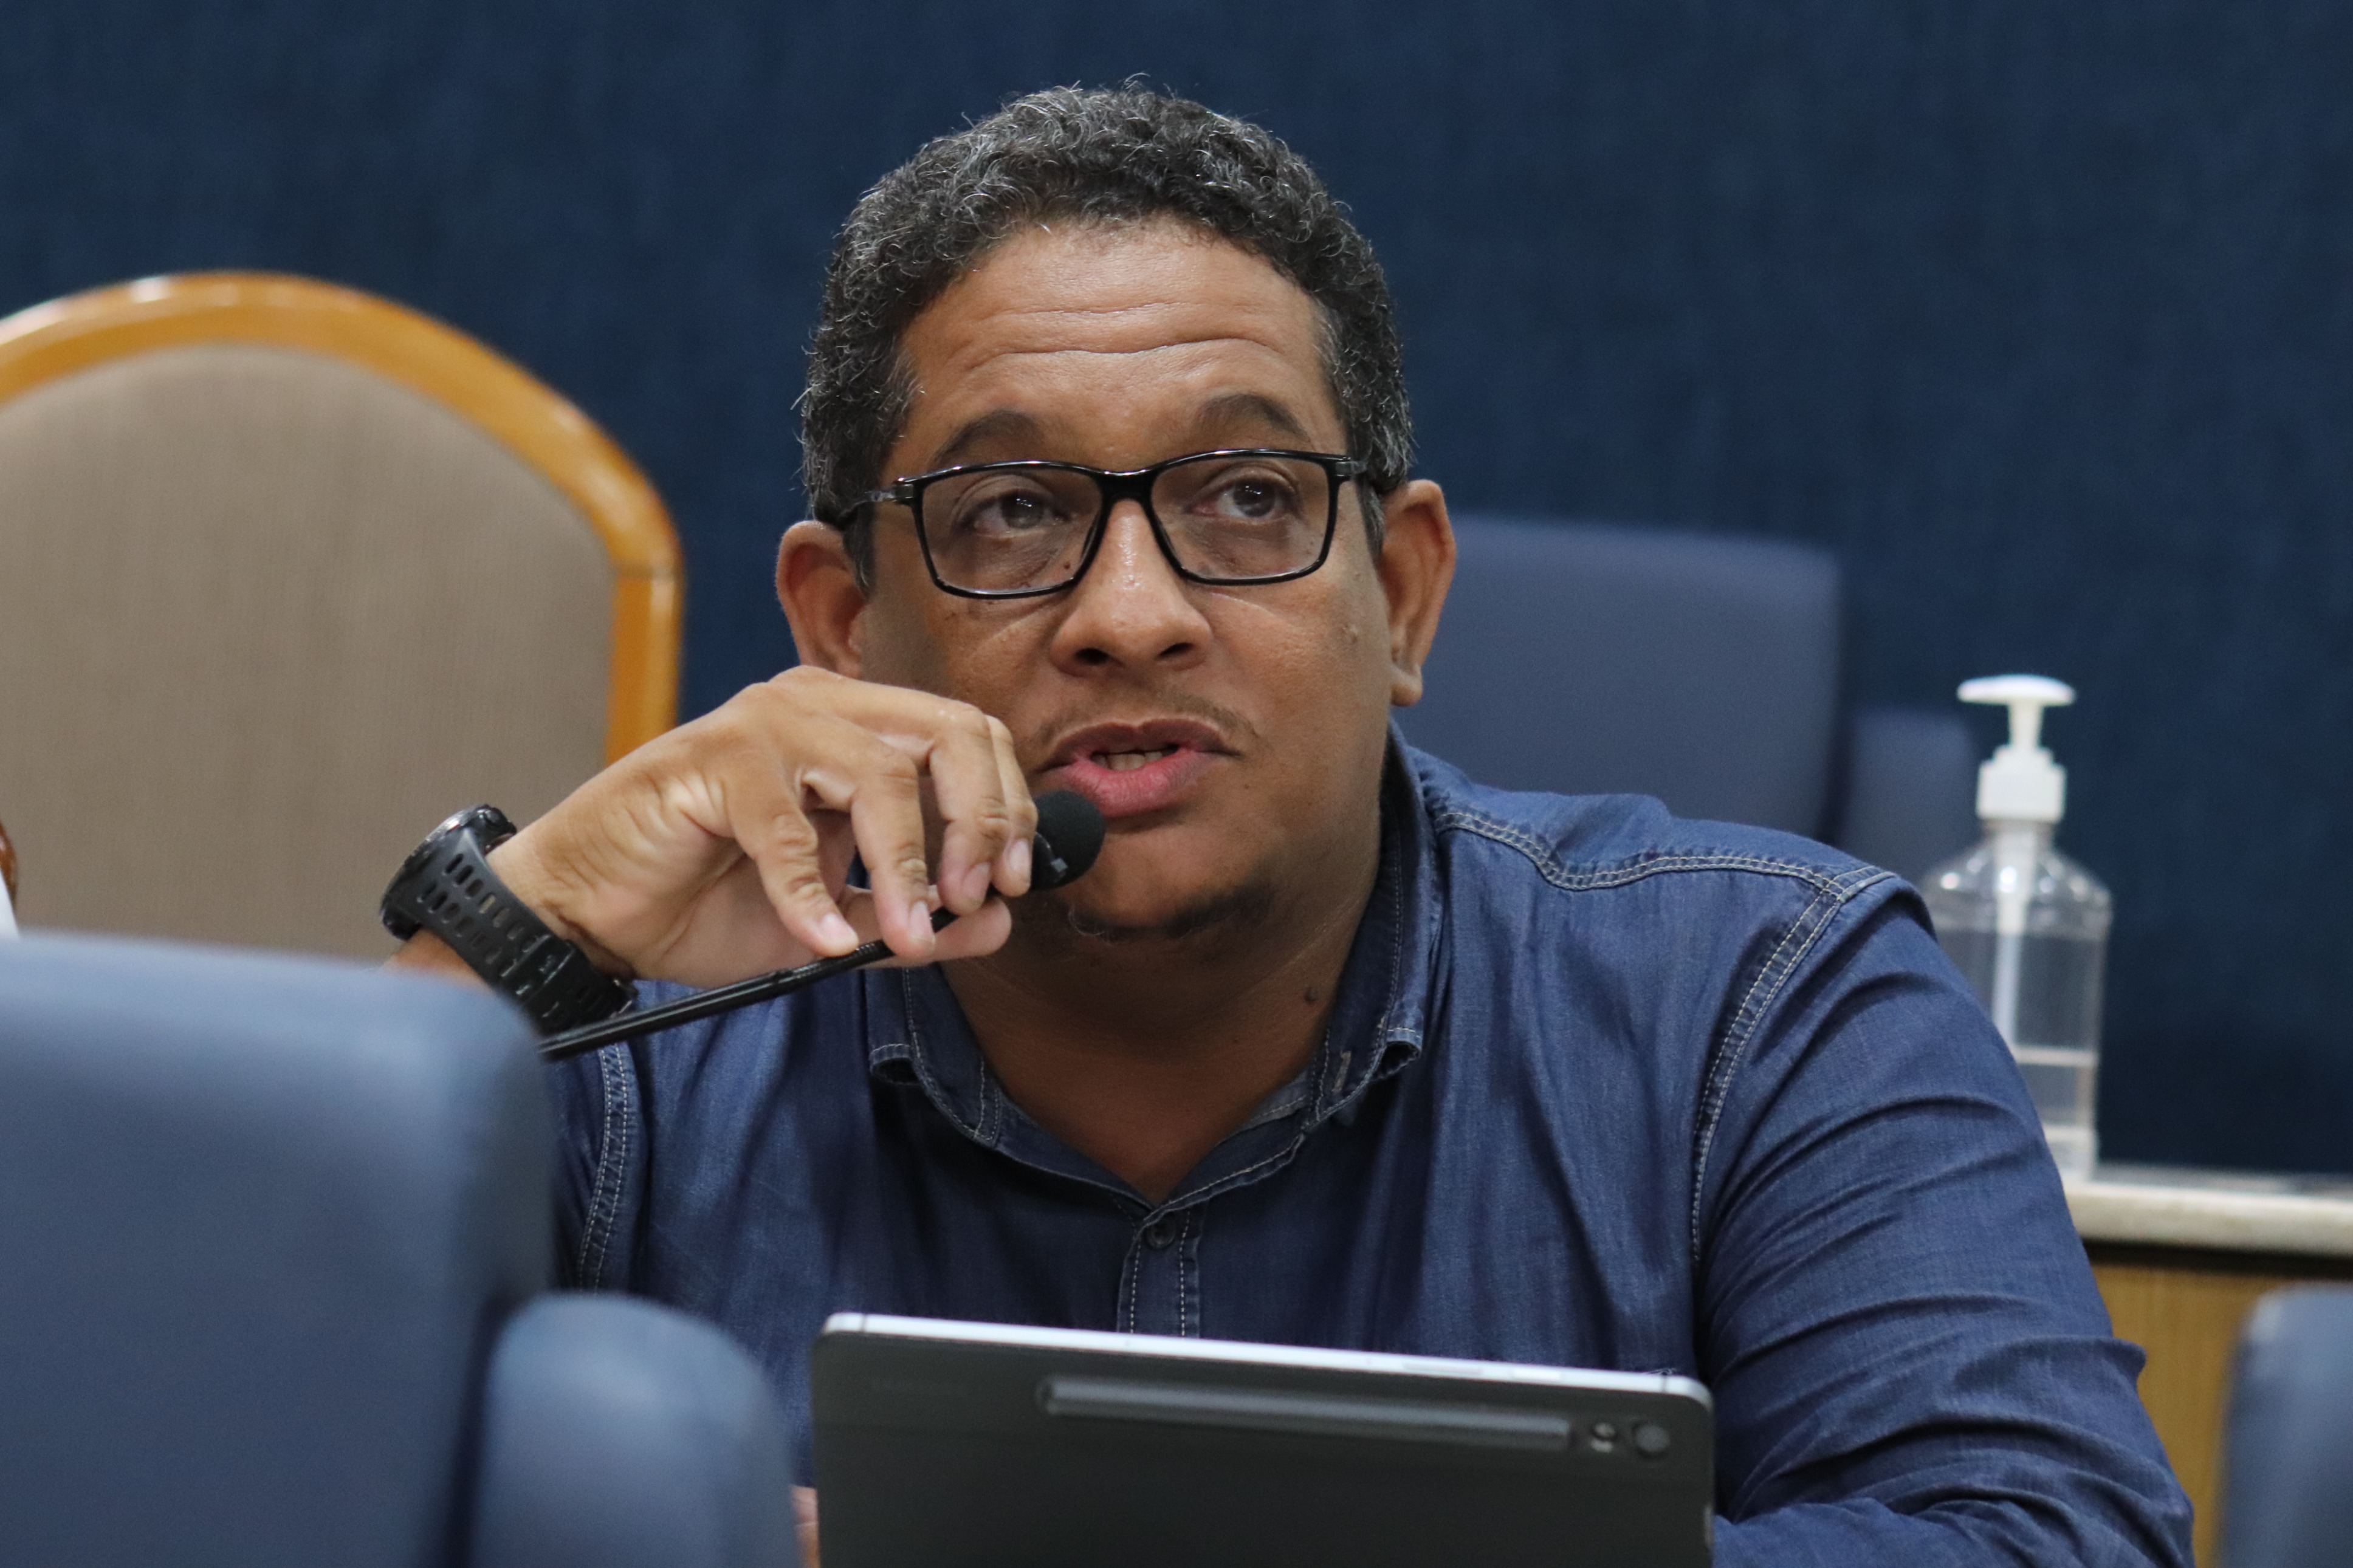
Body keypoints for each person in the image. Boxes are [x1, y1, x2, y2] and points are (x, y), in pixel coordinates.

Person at [392, 87, 2190, 1564]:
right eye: (1013, 511)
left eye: (1247, 497)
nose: (1132, 615)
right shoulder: (633, 1036)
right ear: (845, 627)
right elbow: (269, 1457)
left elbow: (2048, 1543)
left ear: (1400, 596)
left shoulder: (1762, 1004)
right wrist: (520, 938)